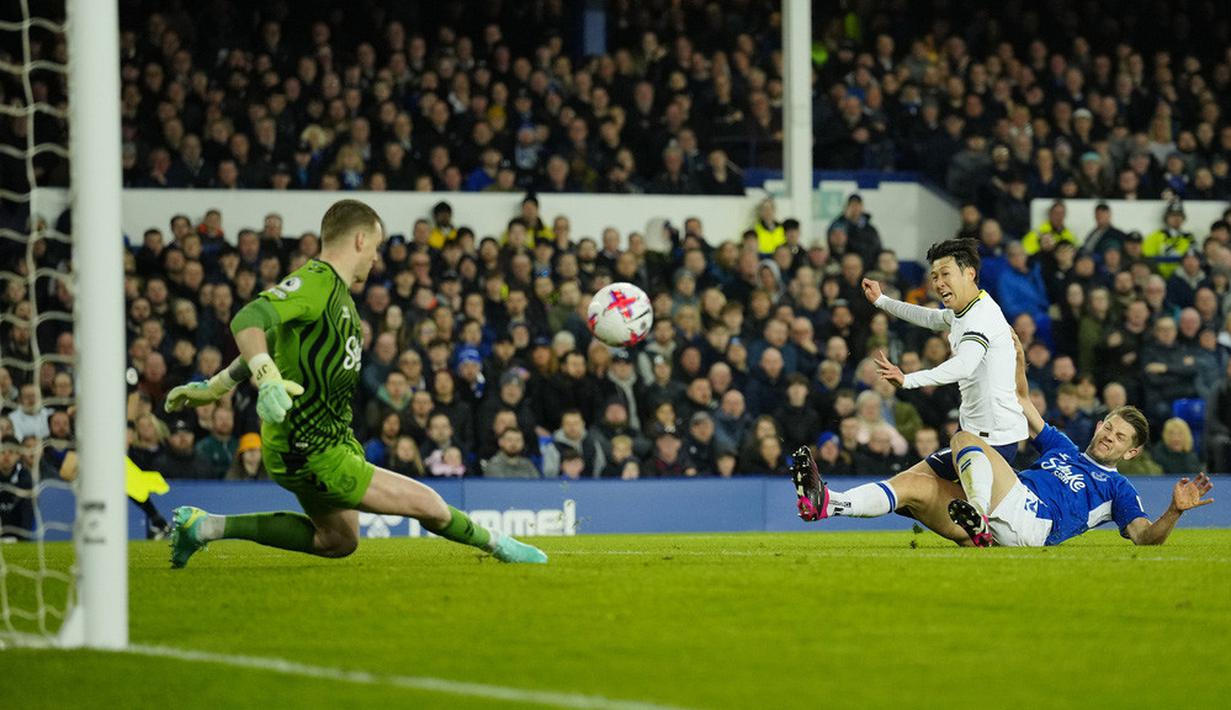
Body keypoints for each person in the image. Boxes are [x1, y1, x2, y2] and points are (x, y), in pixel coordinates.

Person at [163, 199, 546, 565]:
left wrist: (216, 386)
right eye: (376, 246)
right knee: (428, 504)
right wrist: (267, 379)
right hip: (311, 448)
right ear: (361, 240)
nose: (376, 257)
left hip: (319, 441)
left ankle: (205, 526)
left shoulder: (335, 294)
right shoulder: (316, 283)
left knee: (338, 540)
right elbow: (247, 319)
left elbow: (273, 340)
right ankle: (501, 546)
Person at [793, 330, 1214, 547]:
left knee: (966, 438)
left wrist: (1173, 513)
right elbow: (1021, 401)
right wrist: (1018, 361)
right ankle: (829, 503)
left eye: (1119, 436)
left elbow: (1142, 535)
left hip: (1033, 519)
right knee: (915, 486)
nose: (1107, 436)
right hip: (1000, 525)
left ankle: (974, 509)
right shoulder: (1064, 447)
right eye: (1107, 425)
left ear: (1132, 451)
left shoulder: (1118, 487)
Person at [841, 239, 1026, 509]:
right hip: (976, 432)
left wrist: (908, 379)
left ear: (970, 273)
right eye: (935, 276)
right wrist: (882, 301)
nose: (938, 283)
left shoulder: (981, 318)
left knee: (914, 490)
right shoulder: (967, 310)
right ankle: (833, 503)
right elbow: (930, 318)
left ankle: (981, 517)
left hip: (992, 440)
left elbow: (964, 365)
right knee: (911, 485)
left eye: (946, 274)